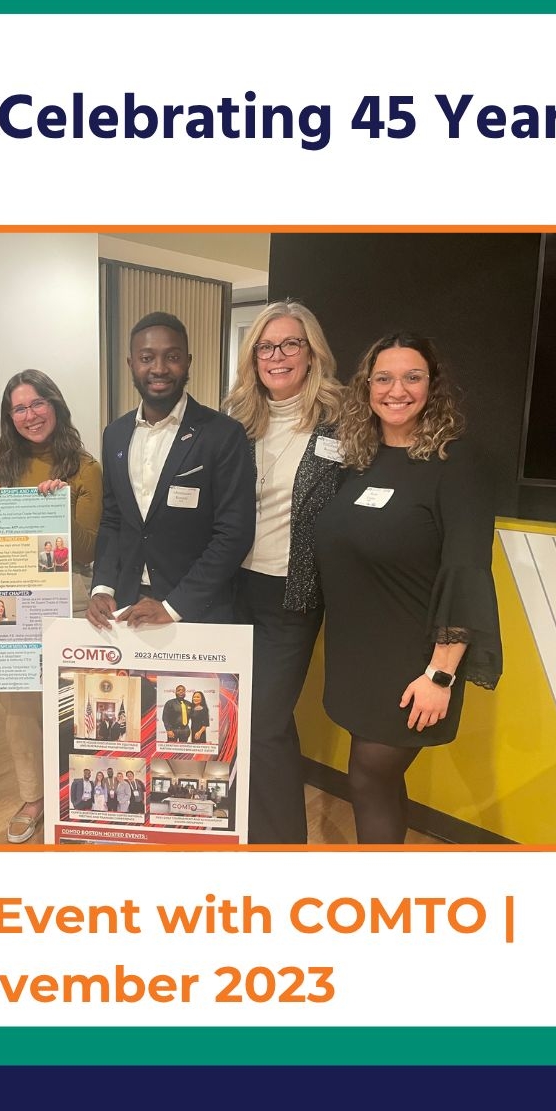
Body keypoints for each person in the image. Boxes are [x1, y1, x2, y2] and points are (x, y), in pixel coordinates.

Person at [313, 333, 503, 844]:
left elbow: (467, 572)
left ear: (432, 386)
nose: (396, 390)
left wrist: (440, 675)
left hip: (414, 660)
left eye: (412, 377)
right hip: (357, 656)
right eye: (384, 378)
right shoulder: (358, 460)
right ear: (367, 387)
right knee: (380, 779)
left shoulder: (457, 465)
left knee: (368, 776)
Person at [224, 300, 346, 845]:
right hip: (231, 590)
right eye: (265, 347)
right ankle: (244, 829)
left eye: (290, 344)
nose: (277, 356)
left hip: (292, 594)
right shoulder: (235, 422)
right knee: (241, 716)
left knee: (265, 720)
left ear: (311, 352)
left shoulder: (344, 422)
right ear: (253, 358)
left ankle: (281, 846)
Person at [0, 369, 103, 843]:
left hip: (68, 594)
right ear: (9, 417)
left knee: (73, 702)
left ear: (55, 405)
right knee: (19, 704)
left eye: (37, 404)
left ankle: (78, 798)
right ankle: (33, 798)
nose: (29, 415)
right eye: (19, 408)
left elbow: (88, 550)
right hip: (10, 596)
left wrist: (60, 508)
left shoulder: (85, 467)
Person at [87, 311, 255, 630]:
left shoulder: (222, 434)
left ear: (188, 362)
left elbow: (234, 533)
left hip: (197, 612)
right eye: (146, 357)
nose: (159, 368)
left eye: (172, 357)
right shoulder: (115, 434)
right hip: (125, 608)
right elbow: (112, 519)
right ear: (131, 364)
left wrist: (174, 606)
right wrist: (103, 588)